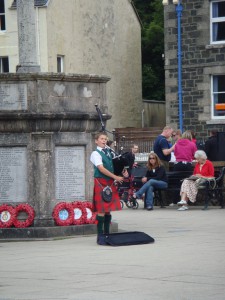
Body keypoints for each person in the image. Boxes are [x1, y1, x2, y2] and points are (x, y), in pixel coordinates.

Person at [90, 132, 125, 244]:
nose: (104, 141)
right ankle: (100, 236)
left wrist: (124, 170)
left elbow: (114, 164)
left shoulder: (109, 152)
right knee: (101, 210)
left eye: (105, 139)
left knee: (108, 210)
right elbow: (101, 169)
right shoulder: (95, 154)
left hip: (109, 183)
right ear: (96, 141)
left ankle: (107, 234)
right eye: (101, 139)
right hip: (101, 182)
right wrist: (115, 177)